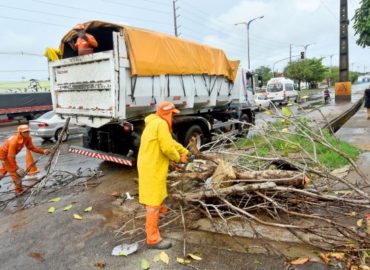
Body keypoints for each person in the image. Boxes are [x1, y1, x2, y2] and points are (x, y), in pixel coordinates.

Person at [137, 101, 189, 249]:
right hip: (151, 166)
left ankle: (162, 211)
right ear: (167, 113)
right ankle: (153, 239)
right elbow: (167, 148)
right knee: (152, 202)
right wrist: (179, 158)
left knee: (158, 191)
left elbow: (170, 142)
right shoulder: (160, 124)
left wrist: (184, 151)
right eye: (172, 114)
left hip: (151, 165)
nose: (173, 116)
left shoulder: (155, 123)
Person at [0, 125, 49, 195]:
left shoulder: (27, 138)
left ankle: (18, 189)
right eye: (24, 132)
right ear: (20, 133)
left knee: (4, 170)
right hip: (4, 156)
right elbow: (11, 157)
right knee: (15, 173)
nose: (27, 133)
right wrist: (17, 168)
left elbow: (31, 147)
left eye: (28, 131)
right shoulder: (14, 142)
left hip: (9, 156)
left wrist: (43, 151)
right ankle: (18, 191)